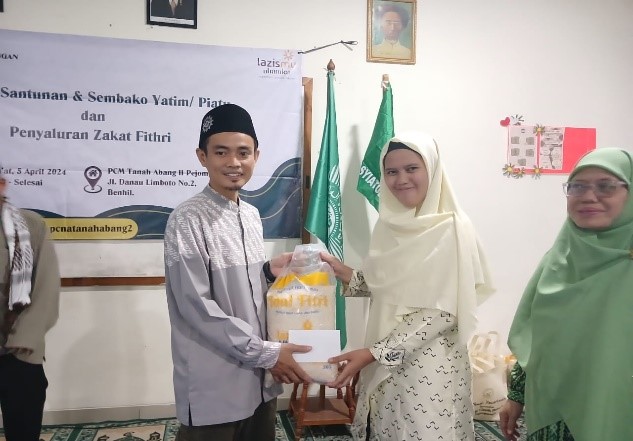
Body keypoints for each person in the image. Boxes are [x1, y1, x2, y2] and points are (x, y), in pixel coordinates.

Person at [321, 132, 494, 440]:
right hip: (385, 357)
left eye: (412, 168)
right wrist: (345, 272)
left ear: (432, 169)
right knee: (388, 427)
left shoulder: (452, 228)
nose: (401, 179)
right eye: (391, 171)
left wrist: (374, 352)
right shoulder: (389, 226)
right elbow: (391, 287)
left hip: (430, 364)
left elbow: (444, 311)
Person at [164, 103, 312, 441]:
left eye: (243, 152)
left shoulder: (251, 215)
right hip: (215, 382)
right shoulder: (187, 219)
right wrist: (266, 354)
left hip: (259, 380)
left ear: (256, 156)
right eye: (221, 152)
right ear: (202, 157)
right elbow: (196, 307)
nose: (234, 162)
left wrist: (268, 272)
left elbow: (240, 289)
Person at [500, 148, 633, 441]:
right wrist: (516, 395)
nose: (588, 196)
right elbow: (535, 338)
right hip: (553, 416)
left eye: (606, 186)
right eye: (577, 187)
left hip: (615, 410)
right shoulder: (557, 260)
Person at [0, 173, 60, 440]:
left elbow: (46, 289)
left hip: (18, 353)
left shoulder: (30, 226)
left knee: (23, 429)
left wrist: (22, 342)